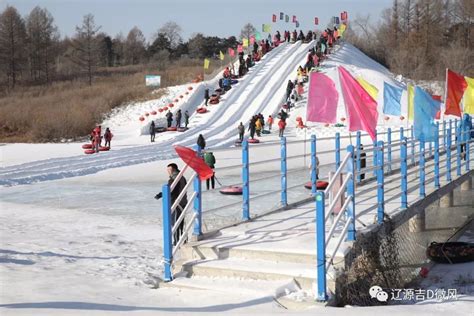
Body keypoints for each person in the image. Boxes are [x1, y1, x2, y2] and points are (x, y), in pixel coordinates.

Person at [154, 163, 187, 245]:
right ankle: (183, 239)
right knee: (181, 222)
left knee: (175, 223)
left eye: (169, 170)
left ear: (174, 169)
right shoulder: (180, 177)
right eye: (167, 170)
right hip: (182, 202)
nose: (168, 171)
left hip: (176, 203)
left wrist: (160, 194)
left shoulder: (175, 179)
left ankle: (176, 241)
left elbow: (170, 190)